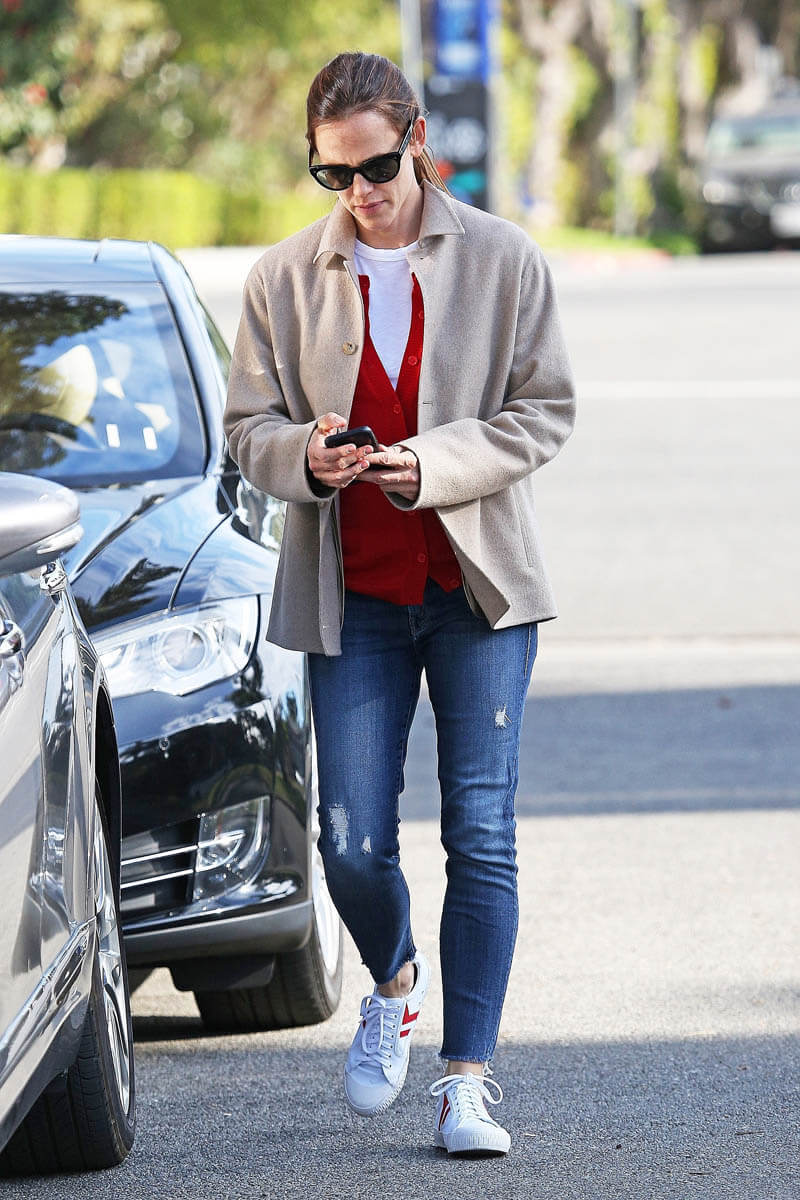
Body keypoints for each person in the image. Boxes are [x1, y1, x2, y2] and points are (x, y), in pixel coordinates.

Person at [223, 50, 575, 1158]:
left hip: (476, 591)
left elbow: (544, 411)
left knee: (481, 832)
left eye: (375, 167)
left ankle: (466, 1081)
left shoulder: (502, 259)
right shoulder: (282, 277)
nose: (360, 192)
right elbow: (246, 431)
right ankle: (391, 980)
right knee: (349, 841)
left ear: (417, 141)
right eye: (332, 174)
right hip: (354, 600)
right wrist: (305, 456)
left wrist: (434, 463)